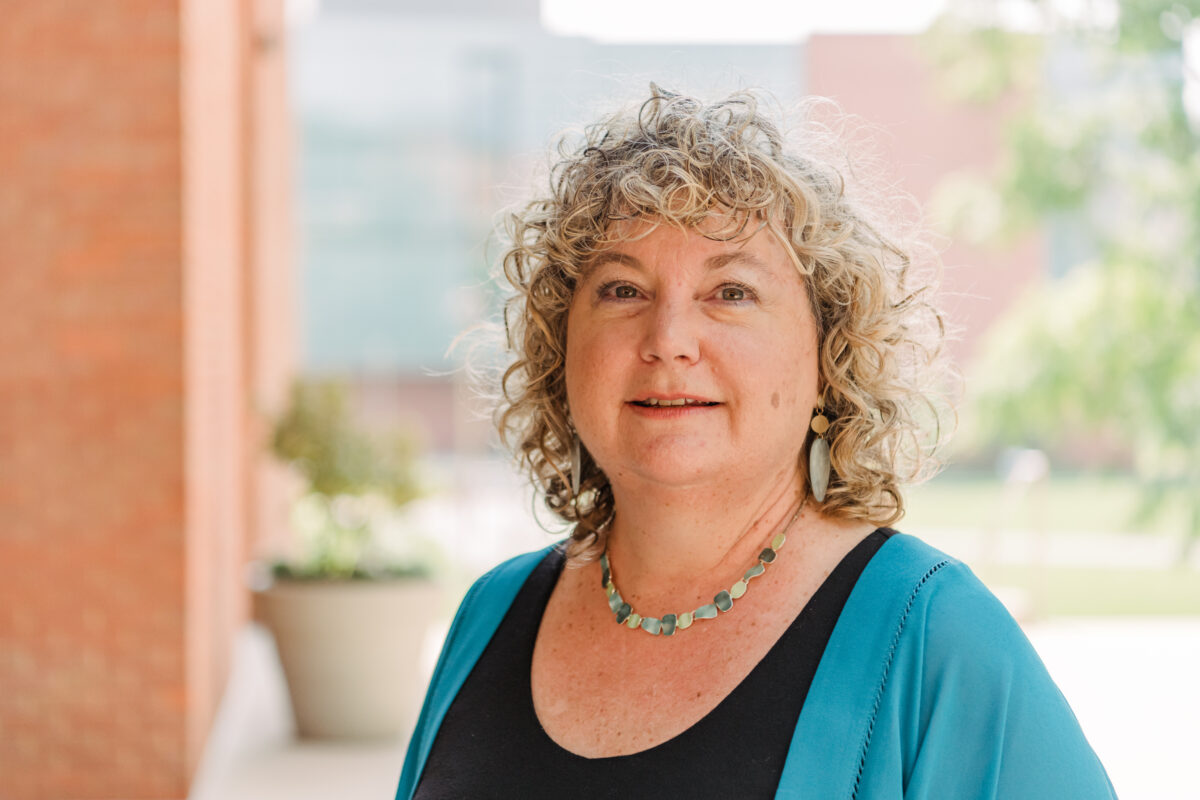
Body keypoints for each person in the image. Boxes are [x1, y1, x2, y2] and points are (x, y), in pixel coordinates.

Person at [395, 85, 1116, 799]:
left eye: (731, 292)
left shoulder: (935, 637)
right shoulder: (491, 614)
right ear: (562, 345)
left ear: (828, 354)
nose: (669, 340)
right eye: (622, 290)